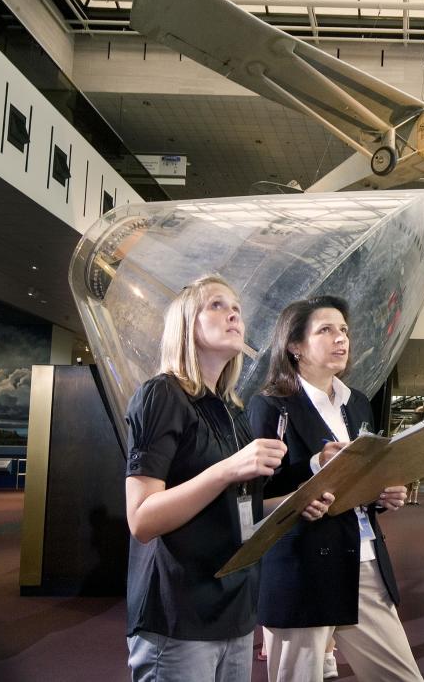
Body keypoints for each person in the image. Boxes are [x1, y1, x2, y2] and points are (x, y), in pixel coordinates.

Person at [123, 275, 332, 682]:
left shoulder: (233, 410)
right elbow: (142, 519)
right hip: (180, 611)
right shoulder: (162, 395)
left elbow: (240, 510)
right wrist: (227, 469)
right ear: (186, 323)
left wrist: (294, 502)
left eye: (236, 306)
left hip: (234, 608)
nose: (234, 313)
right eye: (217, 305)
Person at [247, 295, 422, 682]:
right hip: (303, 567)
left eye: (343, 330)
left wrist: (381, 493)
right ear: (294, 346)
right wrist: (314, 465)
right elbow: (256, 498)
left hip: (364, 560)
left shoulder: (357, 403)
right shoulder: (271, 406)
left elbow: (357, 478)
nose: (340, 338)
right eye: (325, 330)